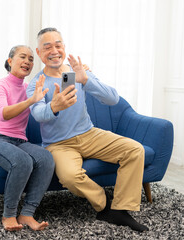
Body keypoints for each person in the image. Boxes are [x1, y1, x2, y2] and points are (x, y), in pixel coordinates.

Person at [26, 27, 149, 232]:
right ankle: (105, 205)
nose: (54, 51)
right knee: (70, 177)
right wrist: (54, 107)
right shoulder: (36, 83)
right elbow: (37, 113)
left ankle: (122, 209)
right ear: (39, 53)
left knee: (135, 150)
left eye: (58, 45)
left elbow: (112, 98)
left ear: (64, 48)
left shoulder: (77, 72)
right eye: (47, 47)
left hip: (89, 134)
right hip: (58, 144)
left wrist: (86, 79)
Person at [0, 45, 55, 231]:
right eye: (23, 57)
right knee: (22, 161)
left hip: (19, 140)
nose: (28, 62)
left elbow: (43, 111)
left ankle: (27, 214)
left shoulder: (31, 88)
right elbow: (3, 114)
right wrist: (31, 100)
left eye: (31, 59)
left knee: (46, 158)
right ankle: (9, 215)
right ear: (10, 61)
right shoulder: (0, 85)